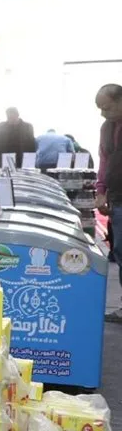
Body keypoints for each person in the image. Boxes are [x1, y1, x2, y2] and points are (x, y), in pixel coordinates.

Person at [97, 84, 122, 323]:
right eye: (100, 109)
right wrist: (101, 190)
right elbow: (104, 161)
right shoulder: (106, 128)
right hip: (117, 199)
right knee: (120, 251)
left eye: (107, 107)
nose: (103, 113)